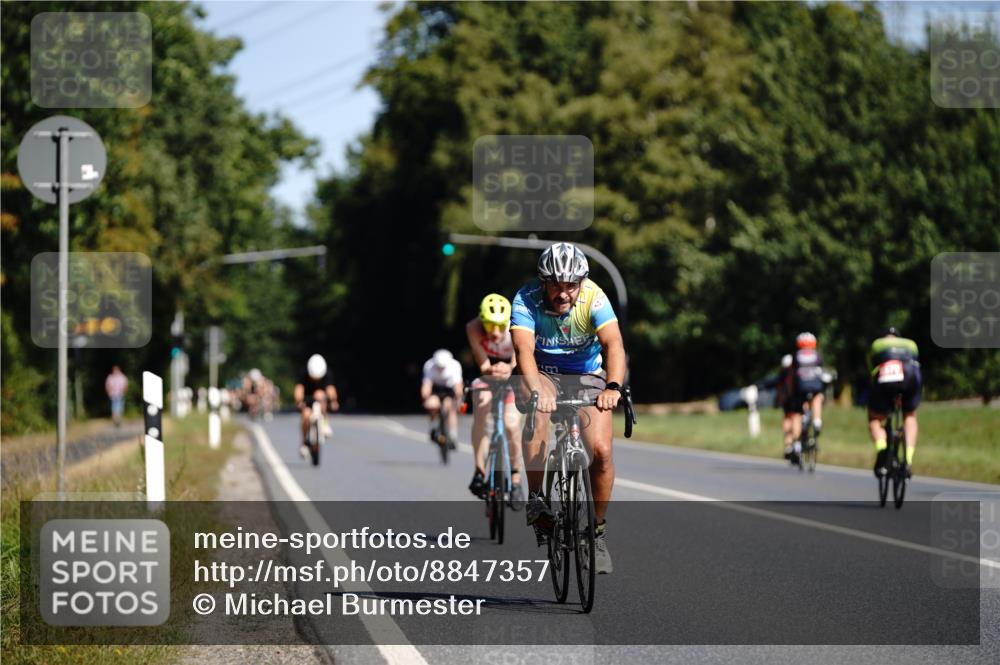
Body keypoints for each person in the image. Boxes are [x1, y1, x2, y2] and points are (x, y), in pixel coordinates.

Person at [511, 242, 626, 574]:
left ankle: (597, 534)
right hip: (542, 372)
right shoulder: (526, 298)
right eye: (555, 285)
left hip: (587, 374)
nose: (563, 294)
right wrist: (536, 389)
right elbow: (524, 351)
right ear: (543, 282)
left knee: (601, 451)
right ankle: (537, 500)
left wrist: (613, 387)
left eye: (571, 286)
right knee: (539, 409)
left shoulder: (594, 297)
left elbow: (614, 344)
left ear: (581, 282)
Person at [466, 293, 523, 505]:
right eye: (490, 326)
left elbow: (520, 358)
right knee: (481, 406)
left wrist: (509, 368)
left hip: (514, 376)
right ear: (482, 321)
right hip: (488, 376)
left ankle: (515, 478)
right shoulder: (473, 328)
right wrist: (493, 369)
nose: (496, 332)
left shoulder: (518, 326)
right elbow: (483, 365)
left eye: (500, 326)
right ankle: (479, 470)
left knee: (511, 424)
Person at [868, 327, 921, 478]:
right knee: (909, 415)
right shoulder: (910, 344)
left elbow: (871, 369)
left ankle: (882, 448)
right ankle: (908, 459)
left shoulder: (877, 344)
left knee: (874, 419)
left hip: (886, 376)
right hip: (911, 374)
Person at [784, 332, 826, 465]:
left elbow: (791, 375)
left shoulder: (796, 356)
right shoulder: (818, 355)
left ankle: (797, 443)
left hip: (800, 388)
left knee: (797, 414)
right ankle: (817, 420)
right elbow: (822, 372)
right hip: (815, 386)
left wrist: (790, 392)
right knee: (817, 397)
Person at [294, 354, 340, 458]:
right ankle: (304, 442)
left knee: (320, 395)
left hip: (321, 400)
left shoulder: (327, 373)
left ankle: (324, 422)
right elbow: (299, 389)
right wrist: (299, 401)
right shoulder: (303, 373)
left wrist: (333, 401)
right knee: (306, 415)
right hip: (307, 399)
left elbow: (330, 389)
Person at [420, 349, 464, 449]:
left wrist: (459, 401)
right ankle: (433, 425)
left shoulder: (455, 365)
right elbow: (426, 385)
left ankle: (453, 436)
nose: (441, 369)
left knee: (451, 408)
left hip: (450, 389)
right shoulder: (429, 365)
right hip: (436, 389)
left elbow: (458, 387)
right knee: (432, 404)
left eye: (443, 367)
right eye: (439, 367)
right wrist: (425, 399)